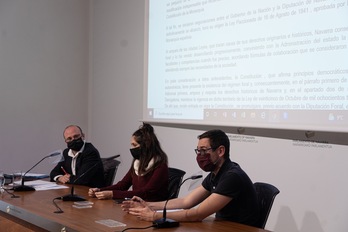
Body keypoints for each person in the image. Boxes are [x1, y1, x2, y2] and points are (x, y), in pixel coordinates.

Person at [121, 129, 260, 227]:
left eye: (204, 150)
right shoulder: (215, 174)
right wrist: (148, 204)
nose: (200, 155)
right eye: (198, 151)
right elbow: (187, 201)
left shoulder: (232, 176)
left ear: (221, 151)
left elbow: (198, 214)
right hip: (222, 226)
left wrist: (154, 216)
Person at [88, 123, 169, 201]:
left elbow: (146, 193)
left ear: (145, 146)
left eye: (134, 145)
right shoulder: (138, 163)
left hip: (153, 208)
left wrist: (112, 194)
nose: (131, 148)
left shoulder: (160, 165)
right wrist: (99, 190)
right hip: (137, 205)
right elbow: (122, 185)